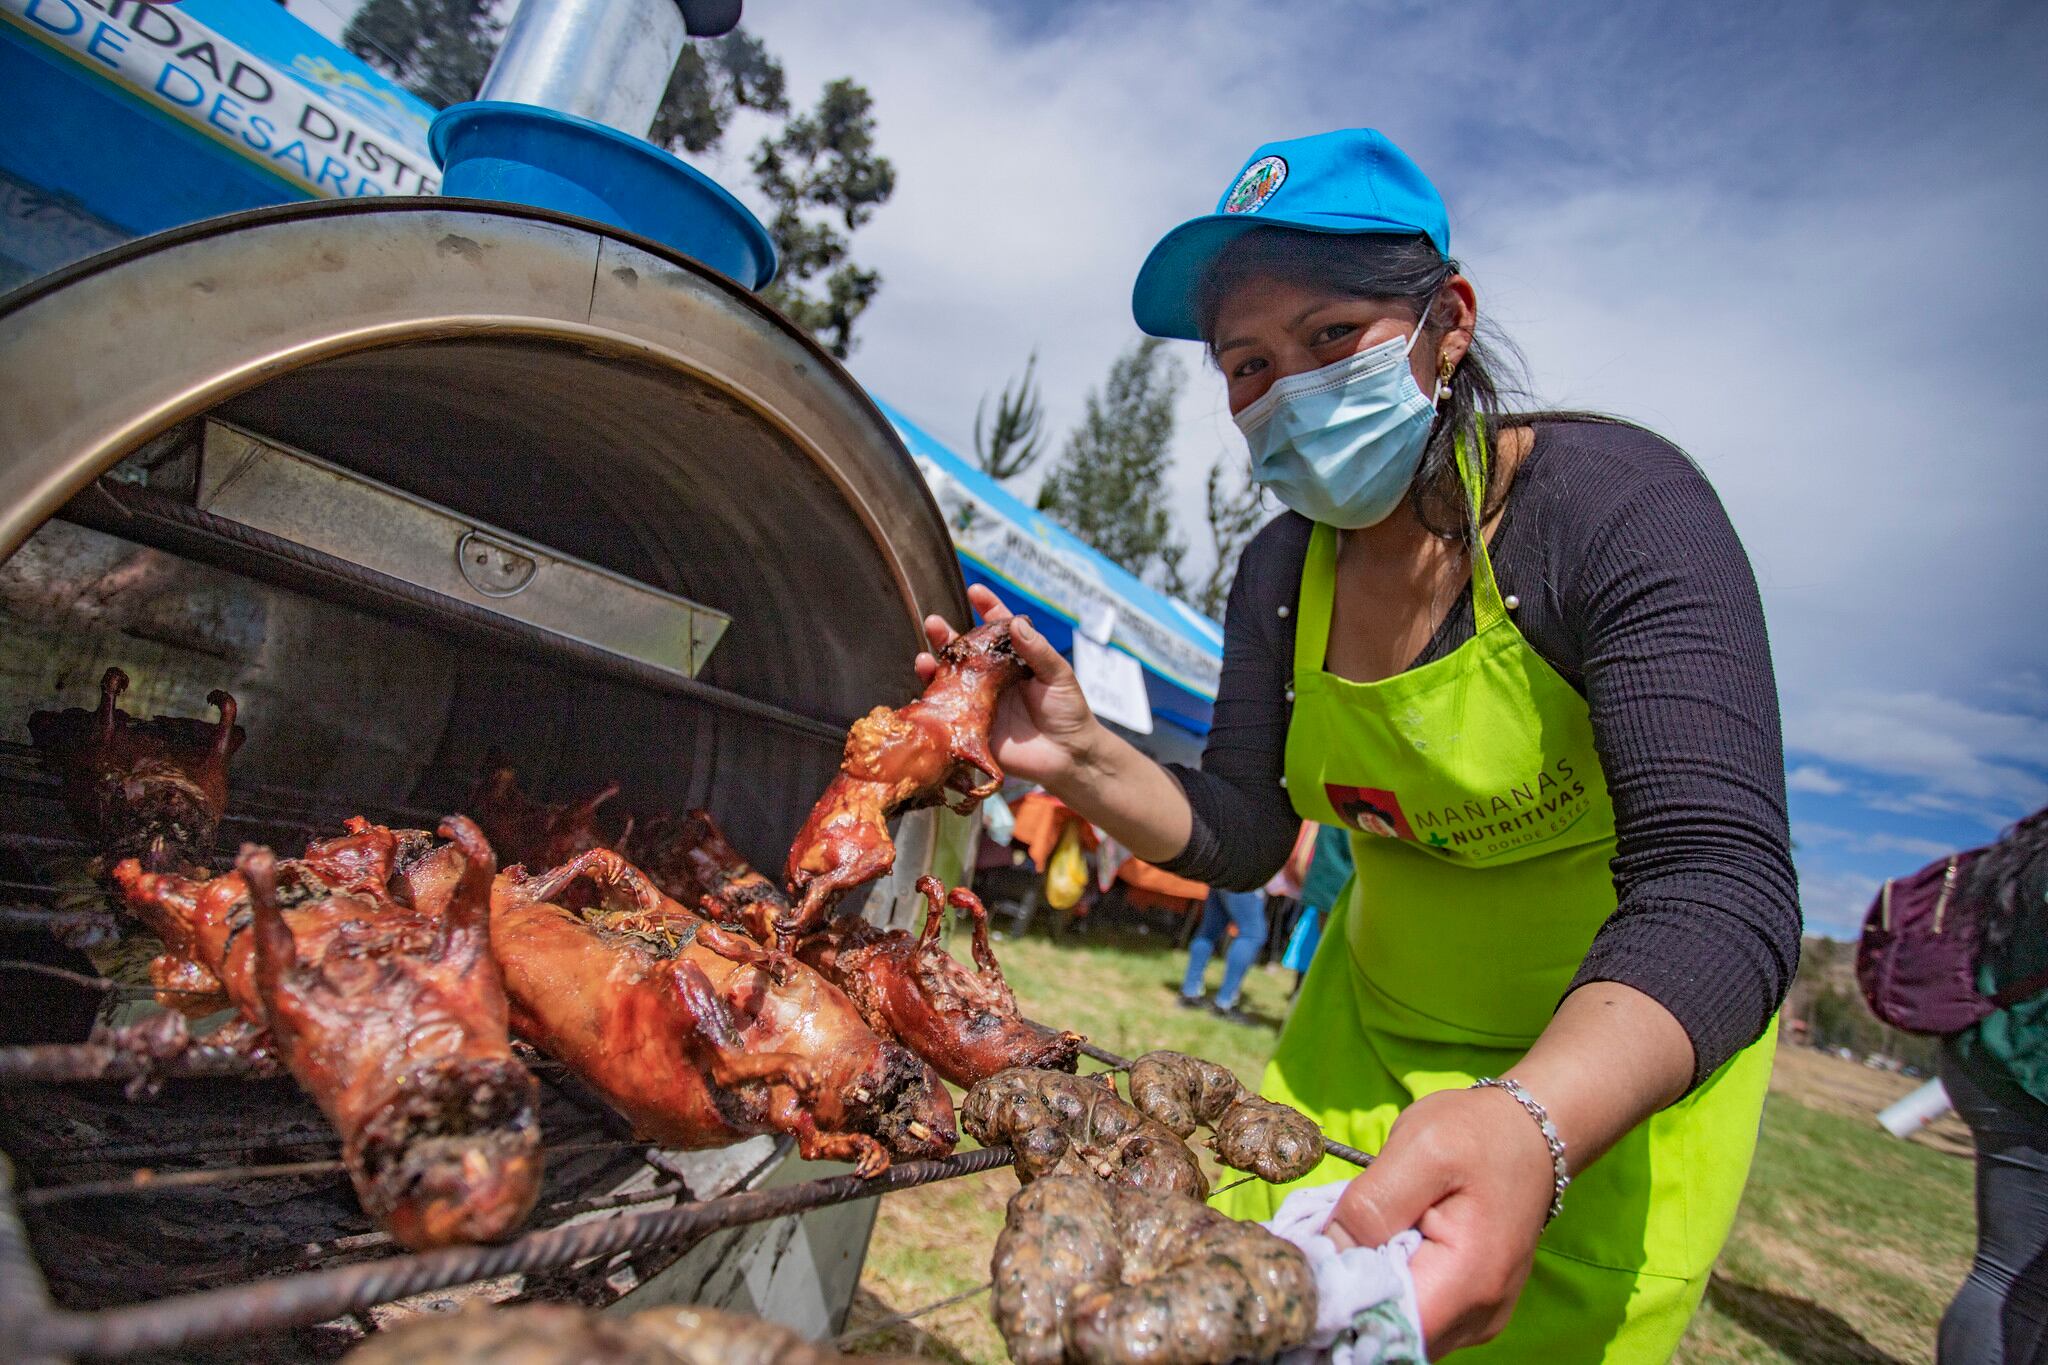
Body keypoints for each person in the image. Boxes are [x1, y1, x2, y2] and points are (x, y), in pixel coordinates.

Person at [915, 127, 1798, 1361]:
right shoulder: (1279, 570)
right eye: (1247, 365)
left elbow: (1719, 885)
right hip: (1358, 1043)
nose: (1285, 393)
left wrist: (1531, 1125)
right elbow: (1241, 829)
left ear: (1447, 321)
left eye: (1332, 339)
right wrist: (1074, 755)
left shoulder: (1614, 512)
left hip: (1596, 1085)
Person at [1941, 805, 2048, 1365]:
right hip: (2029, 1079)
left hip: (1983, 1058)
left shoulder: (2024, 855)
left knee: (2016, 1270)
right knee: (2013, 1272)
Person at [1282, 821, 1354, 994]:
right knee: (1329, 960)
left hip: (1322, 890)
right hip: (1339, 892)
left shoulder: (1329, 807)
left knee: (1314, 953)